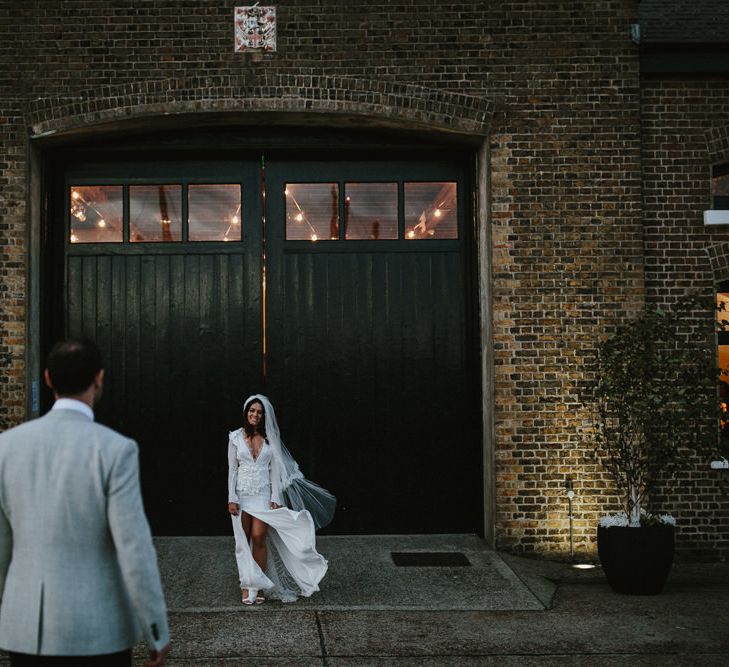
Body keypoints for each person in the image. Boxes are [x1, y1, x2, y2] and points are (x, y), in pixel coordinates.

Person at [0, 339, 170, 666]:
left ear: (48, 379)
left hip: (26, 630)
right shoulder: (115, 449)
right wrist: (156, 630)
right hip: (98, 630)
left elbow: (2, 546)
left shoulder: (7, 447)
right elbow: (134, 547)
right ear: (99, 378)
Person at [227, 394, 335, 604]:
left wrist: (275, 496)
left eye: (259, 412)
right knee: (243, 540)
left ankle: (258, 587)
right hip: (241, 494)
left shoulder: (269, 439)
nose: (255, 415)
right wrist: (232, 497)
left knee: (258, 537)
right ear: (246, 413)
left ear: (263, 416)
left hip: (263, 495)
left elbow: (275, 471)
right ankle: (247, 585)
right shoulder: (235, 438)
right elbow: (232, 469)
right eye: (252, 411)